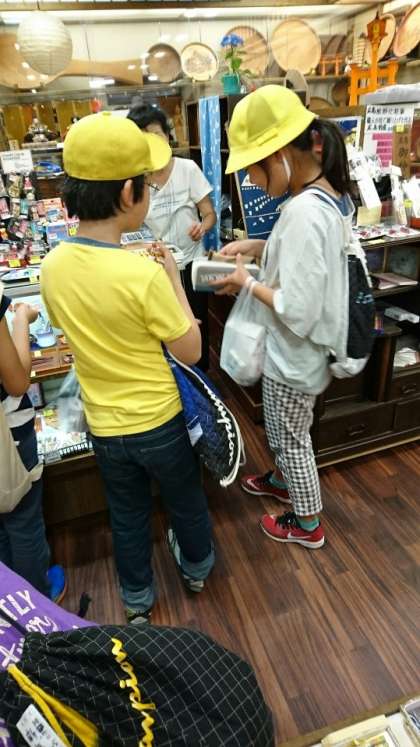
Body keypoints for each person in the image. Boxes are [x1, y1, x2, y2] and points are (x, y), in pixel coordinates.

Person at [40, 113, 215, 623]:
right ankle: (197, 567)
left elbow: (73, 326)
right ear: (126, 192)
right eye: (144, 183)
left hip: (104, 425)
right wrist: (173, 279)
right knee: (185, 499)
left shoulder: (52, 267)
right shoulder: (142, 274)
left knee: (127, 512)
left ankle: (137, 600)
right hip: (160, 421)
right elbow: (190, 351)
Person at [214, 85, 353, 550]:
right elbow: (307, 264)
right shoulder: (324, 197)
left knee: (291, 438)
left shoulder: (302, 213)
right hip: (303, 354)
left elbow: (299, 307)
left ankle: (308, 521)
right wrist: (259, 247)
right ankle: (280, 479)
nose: (252, 181)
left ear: (278, 156)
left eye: (253, 168)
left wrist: (246, 283)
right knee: (285, 428)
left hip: (295, 357)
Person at [127, 104, 216, 372]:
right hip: (155, 269)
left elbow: (209, 214)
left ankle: (201, 378)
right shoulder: (135, 177)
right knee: (164, 329)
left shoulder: (187, 169)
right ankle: (173, 377)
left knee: (196, 324)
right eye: (143, 137)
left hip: (191, 262)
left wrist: (203, 227)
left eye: (156, 134)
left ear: (168, 135)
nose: (152, 142)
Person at [0, 294, 66, 600]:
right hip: (8, 433)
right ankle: (38, 598)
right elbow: (16, 382)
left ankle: (11, 600)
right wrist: (21, 321)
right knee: (22, 521)